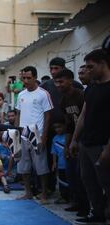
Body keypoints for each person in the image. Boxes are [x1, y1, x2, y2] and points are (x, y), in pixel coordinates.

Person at [70, 49, 110, 224]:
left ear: (103, 64)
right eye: (86, 67)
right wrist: (74, 140)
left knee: (107, 183)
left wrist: (108, 149)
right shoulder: (91, 87)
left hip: (103, 144)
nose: (88, 70)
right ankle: (98, 214)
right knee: (88, 181)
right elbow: (83, 116)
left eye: (91, 66)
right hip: (87, 143)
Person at [40, 57, 84, 193]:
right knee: (51, 158)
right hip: (51, 127)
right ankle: (51, 187)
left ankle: (72, 194)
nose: (53, 72)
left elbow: (81, 116)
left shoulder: (77, 88)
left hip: (72, 131)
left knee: (71, 162)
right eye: (51, 68)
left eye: (56, 68)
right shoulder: (46, 86)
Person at [54, 68, 89, 216]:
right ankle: (77, 202)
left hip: (85, 139)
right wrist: (67, 145)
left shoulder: (81, 96)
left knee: (83, 175)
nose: (58, 85)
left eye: (61, 81)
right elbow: (69, 125)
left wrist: (77, 141)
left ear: (70, 80)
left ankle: (87, 207)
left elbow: (86, 120)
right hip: (73, 140)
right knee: (71, 174)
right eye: (56, 82)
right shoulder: (63, 101)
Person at [15, 66, 53, 204]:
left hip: (37, 134)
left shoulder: (43, 94)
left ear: (35, 77)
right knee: (23, 166)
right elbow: (18, 114)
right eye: (23, 78)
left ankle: (44, 194)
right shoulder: (21, 95)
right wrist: (16, 133)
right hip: (23, 134)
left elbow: (48, 116)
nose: (25, 80)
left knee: (41, 166)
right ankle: (28, 193)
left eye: (28, 78)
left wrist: (44, 137)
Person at [50, 123, 68, 204]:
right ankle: (63, 196)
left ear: (64, 126)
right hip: (60, 164)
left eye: (59, 126)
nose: (58, 129)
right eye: (56, 128)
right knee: (61, 181)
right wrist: (54, 163)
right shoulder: (55, 139)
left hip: (68, 164)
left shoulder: (68, 136)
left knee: (70, 180)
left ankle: (72, 196)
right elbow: (54, 152)